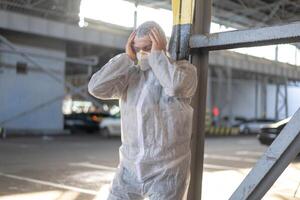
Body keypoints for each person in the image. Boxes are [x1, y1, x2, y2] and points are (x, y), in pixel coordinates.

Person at [88, 21, 197, 200]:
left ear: (161, 44)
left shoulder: (183, 71)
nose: (142, 53)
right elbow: (96, 88)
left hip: (167, 171)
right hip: (129, 169)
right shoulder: (131, 76)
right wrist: (126, 58)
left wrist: (158, 56)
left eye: (148, 47)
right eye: (138, 48)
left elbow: (176, 86)